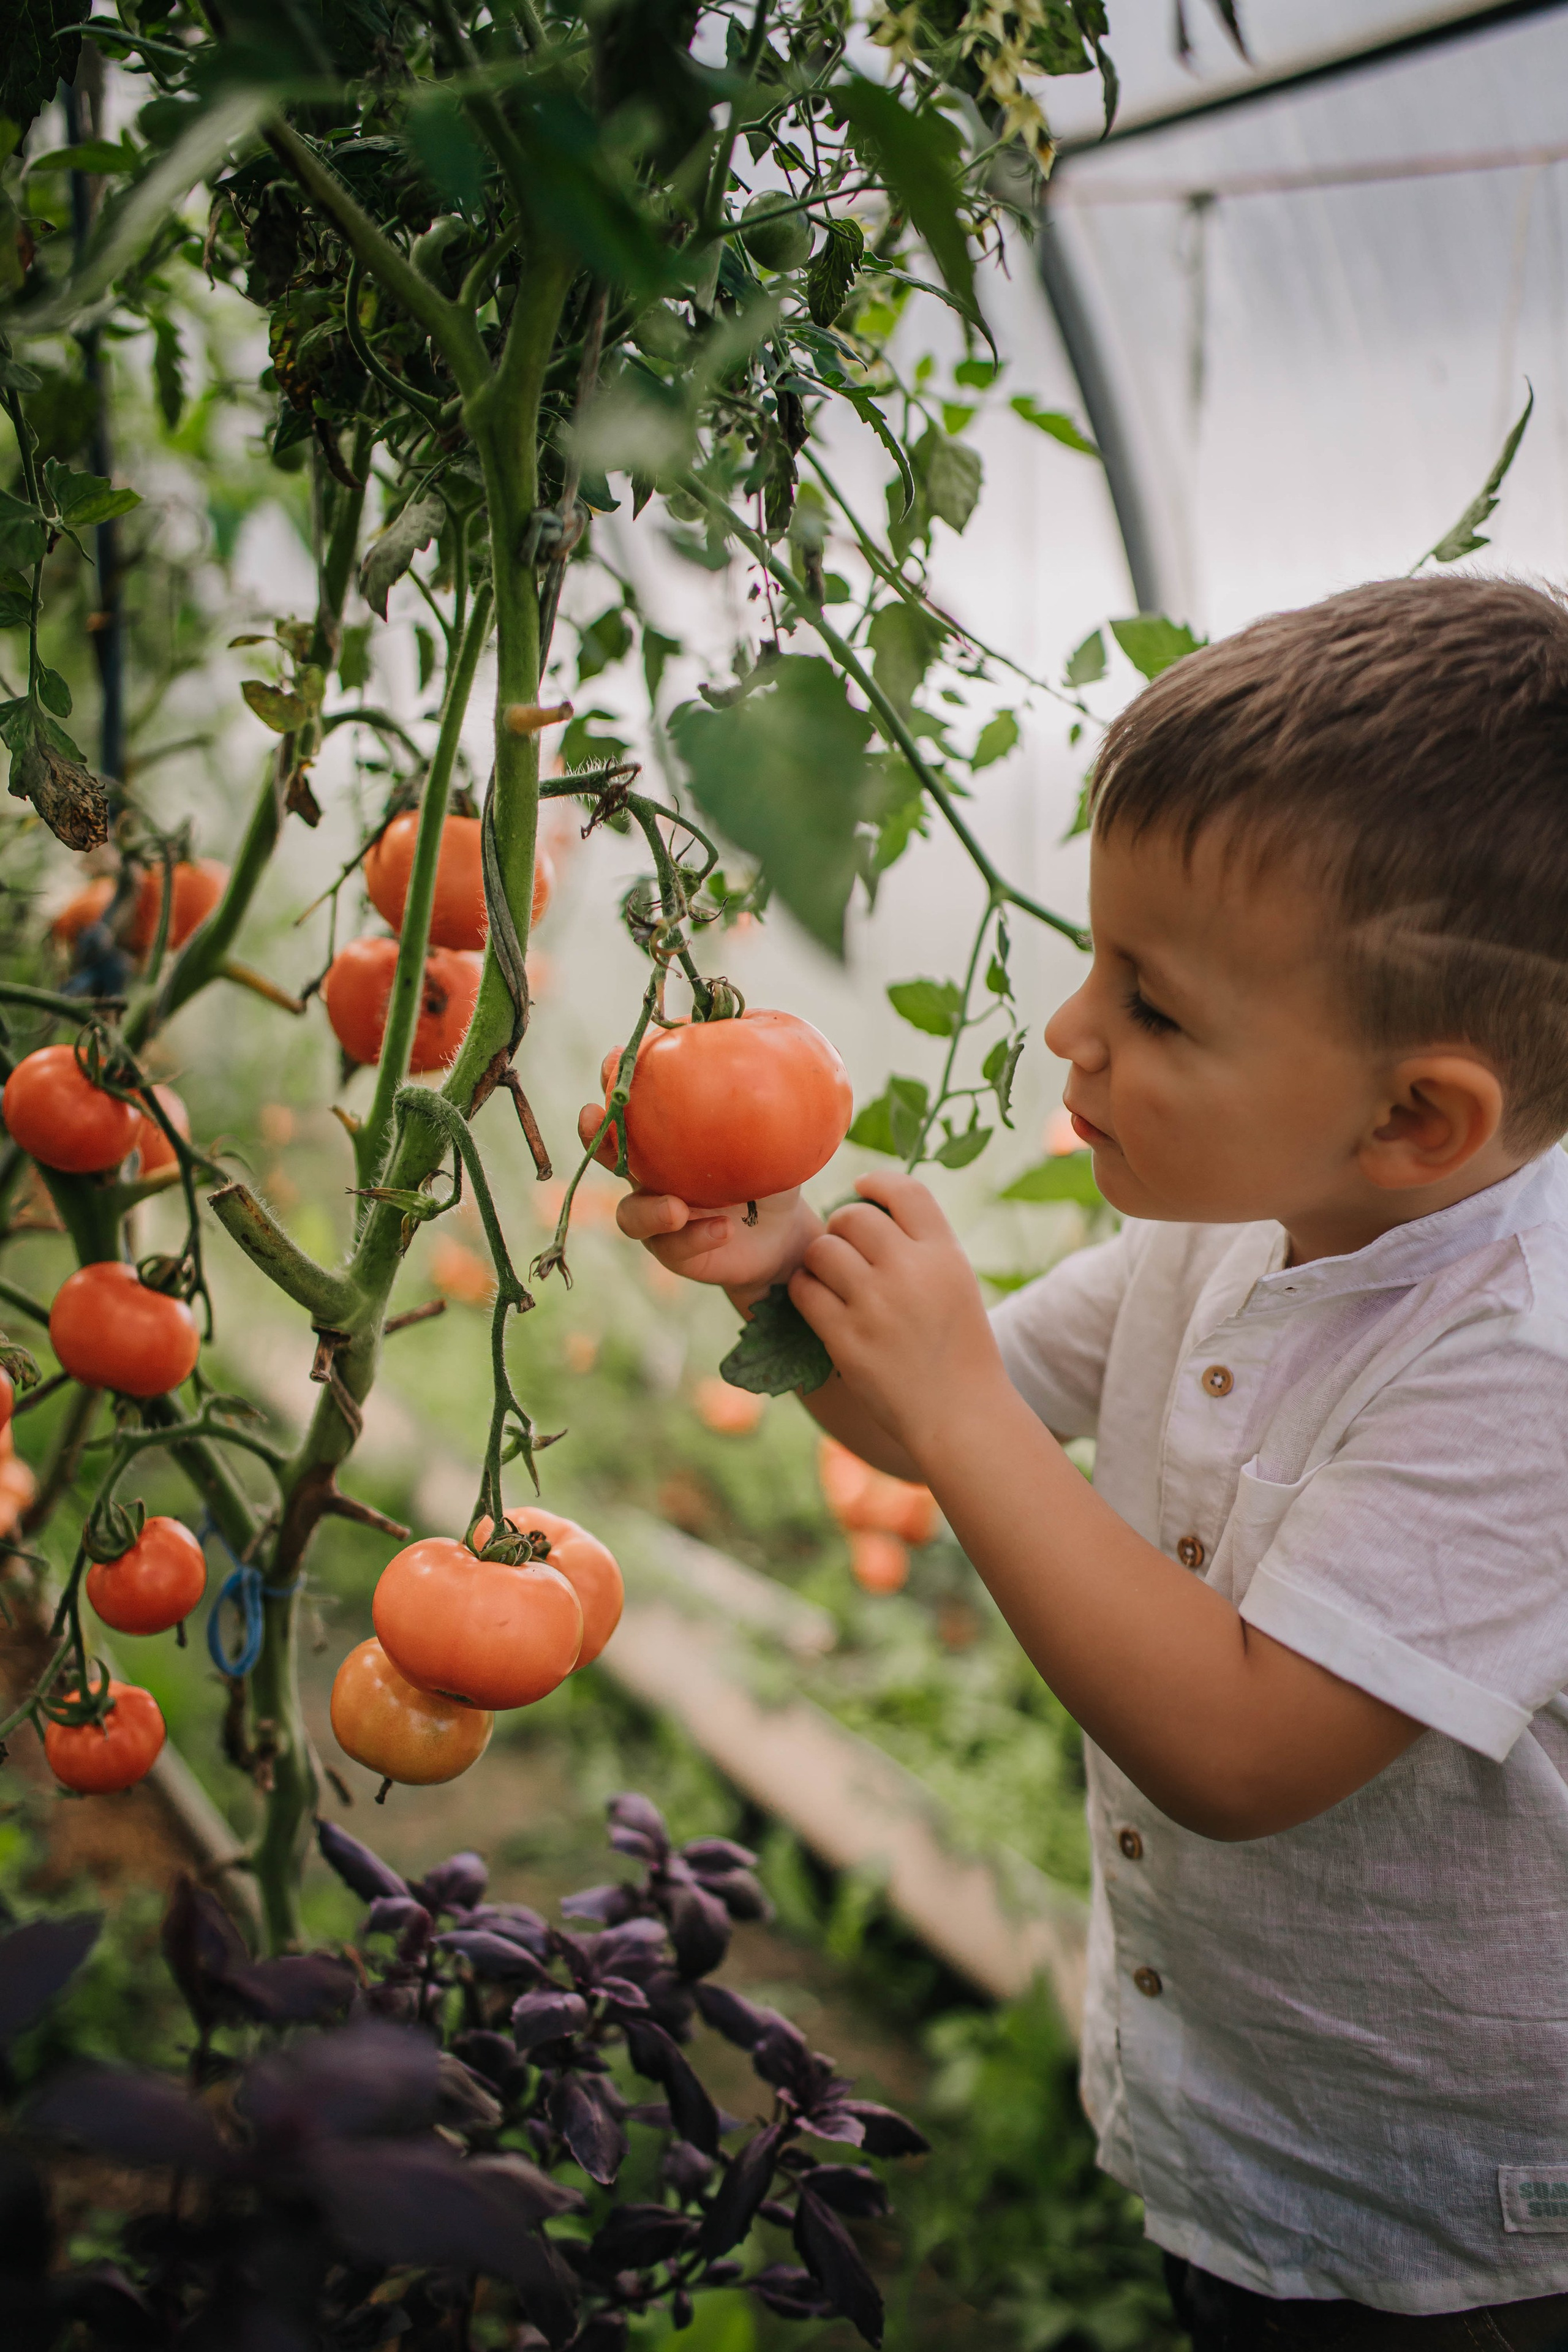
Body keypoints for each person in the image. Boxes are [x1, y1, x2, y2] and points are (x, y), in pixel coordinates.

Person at [580, 576, 1568, 2349]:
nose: (1067, 1032)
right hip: (1246, 2114)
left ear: (1416, 1117)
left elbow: (1243, 1749)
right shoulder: (1241, 1221)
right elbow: (928, 1419)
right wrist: (785, 1264)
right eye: (1101, 960)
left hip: (1456, 2227)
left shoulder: (1525, 1366)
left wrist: (957, 1401)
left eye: (1155, 1010)